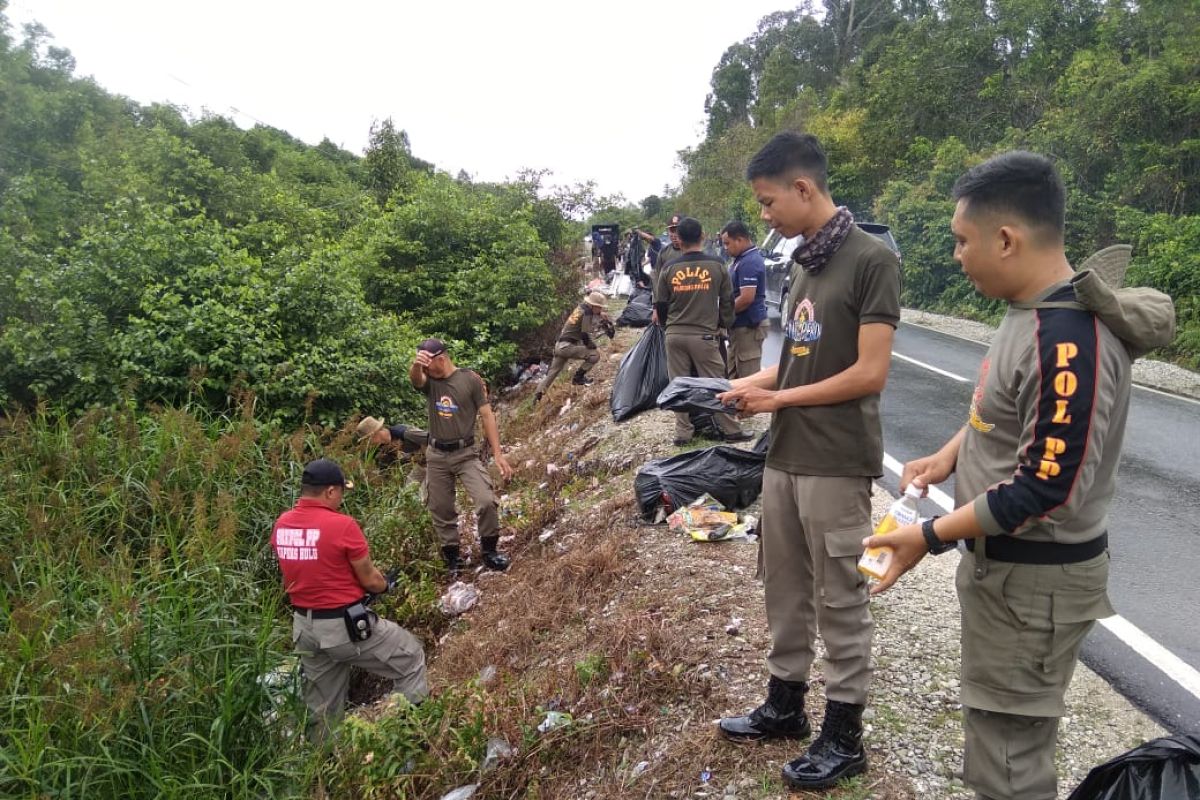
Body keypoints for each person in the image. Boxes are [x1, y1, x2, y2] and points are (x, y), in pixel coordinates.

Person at [860, 151, 1172, 800]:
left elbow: (1044, 488)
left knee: (1008, 762)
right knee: (997, 738)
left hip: (1033, 586)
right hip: (1010, 576)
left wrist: (930, 536)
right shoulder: (1027, 311)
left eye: (961, 240)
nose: (955, 256)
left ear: (1006, 239)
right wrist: (952, 452)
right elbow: (1004, 415)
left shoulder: (1065, 339)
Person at [716, 132, 901, 792]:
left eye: (768, 202)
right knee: (784, 586)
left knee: (840, 598)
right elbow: (796, 357)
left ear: (803, 189)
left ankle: (844, 735)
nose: (764, 216)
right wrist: (751, 390)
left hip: (836, 461)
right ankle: (785, 705)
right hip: (786, 454)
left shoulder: (871, 260)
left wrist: (779, 395)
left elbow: (869, 373)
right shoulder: (798, 264)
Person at [271, 458, 429, 741]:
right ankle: (414, 737)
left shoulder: (282, 524)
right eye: (341, 492)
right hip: (344, 628)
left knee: (323, 708)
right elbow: (370, 579)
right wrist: (385, 585)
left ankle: (323, 770)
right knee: (411, 657)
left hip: (304, 629)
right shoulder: (342, 525)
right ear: (330, 492)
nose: (342, 498)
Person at [409, 337, 514, 576]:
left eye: (427, 363)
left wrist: (498, 454)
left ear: (442, 359)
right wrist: (417, 366)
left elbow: (487, 416)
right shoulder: (430, 383)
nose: (425, 369)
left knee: (486, 500)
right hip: (436, 455)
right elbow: (416, 380)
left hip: (465, 453)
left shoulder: (470, 380)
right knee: (440, 507)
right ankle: (452, 557)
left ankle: (489, 551)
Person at [654, 216, 751, 447]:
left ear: (679, 238)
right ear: (703, 236)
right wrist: (724, 324)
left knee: (679, 384)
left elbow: (660, 305)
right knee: (717, 383)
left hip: (674, 336)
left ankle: (683, 434)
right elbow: (727, 301)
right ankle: (732, 430)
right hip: (704, 336)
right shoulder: (717, 265)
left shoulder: (669, 268)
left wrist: (670, 327)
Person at [534, 291, 615, 403]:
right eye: (599, 307)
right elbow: (585, 335)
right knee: (595, 355)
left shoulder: (581, 308)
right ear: (593, 305)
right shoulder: (587, 313)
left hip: (559, 346)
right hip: (567, 347)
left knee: (552, 373)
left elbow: (587, 321)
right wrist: (592, 346)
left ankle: (537, 397)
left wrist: (600, 316)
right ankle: (578, 378)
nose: (600, 310)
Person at [720, 220, 769, 378]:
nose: (725, 248)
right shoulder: (740, 259)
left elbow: (746, 298)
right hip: (738, 327)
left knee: (748, 377)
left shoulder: (749, 261)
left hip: (748, 327)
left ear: (739, 239)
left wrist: (722, 315)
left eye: (727, 243)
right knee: (733, 376)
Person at [355, 416, 430, 495]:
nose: (369, 442)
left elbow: (431, 439)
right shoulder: (383, 449)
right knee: (407, 492)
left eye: (368, 439)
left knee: (426, 492)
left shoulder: (404, 432)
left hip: (434, 460)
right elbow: (385, 472)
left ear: (375, 434)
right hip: (420, 466)